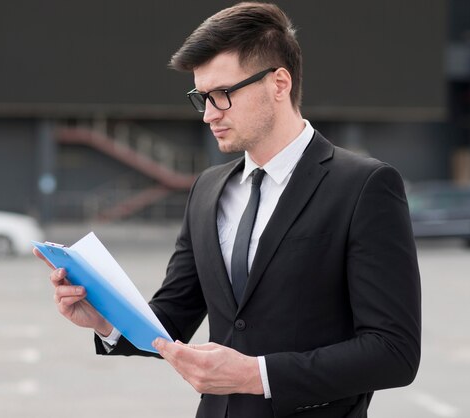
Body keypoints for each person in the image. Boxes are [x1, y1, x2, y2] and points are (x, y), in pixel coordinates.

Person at [35, 2, 421, 417]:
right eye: (200, 97)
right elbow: (172, 318)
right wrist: (105, 321)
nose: (208, 114)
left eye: (222, 95)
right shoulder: (207, 189)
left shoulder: (364, 185)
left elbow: (393, 351)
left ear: (279, 83)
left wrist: (257, 375)